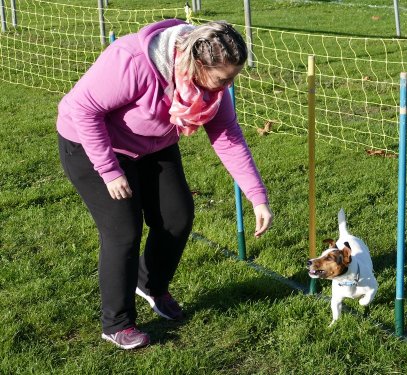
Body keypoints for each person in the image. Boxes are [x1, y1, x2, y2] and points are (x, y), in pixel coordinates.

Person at [57, 19, 273, 350]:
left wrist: (257, 197)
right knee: (123, 230)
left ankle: (151, 285)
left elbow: (228, 137)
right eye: (224, 78)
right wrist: (110, 171)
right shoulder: (132, 62)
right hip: (92, 145)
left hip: (153, 143)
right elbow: (83, 110)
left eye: (233, 76)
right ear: (198, 64)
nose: (228, 84)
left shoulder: (210, 89)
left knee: (176, 216)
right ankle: (117, 323)